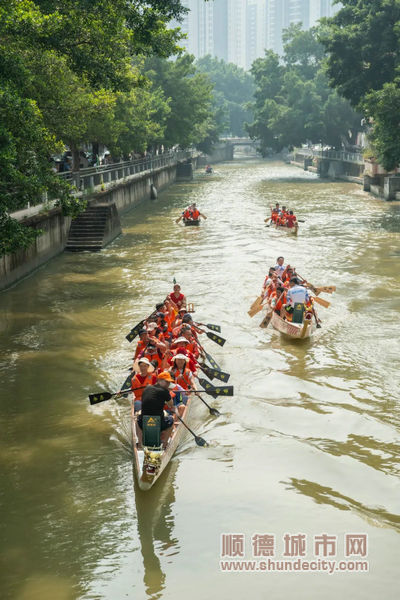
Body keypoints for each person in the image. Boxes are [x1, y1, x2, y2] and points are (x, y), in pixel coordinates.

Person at [137, 372, 175, 447]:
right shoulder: (164, 391)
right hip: (159, 422)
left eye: (169, 382)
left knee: (137, 421)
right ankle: (164, 445)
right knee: (172, 421)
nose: (168, 384)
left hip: (144, 422)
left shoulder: (147, 388)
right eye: (166, 382)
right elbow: (171, 405)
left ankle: (140, 444)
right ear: (159, 380)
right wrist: (168, 394)